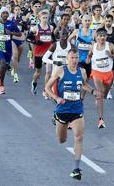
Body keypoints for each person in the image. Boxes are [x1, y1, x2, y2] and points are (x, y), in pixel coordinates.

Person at [46, 48, 100, 180]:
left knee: (79, 137)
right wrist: (57, 98)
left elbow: (84, 85)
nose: (75, 60)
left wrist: (93, 91)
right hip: (63, 110)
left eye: (76, 58)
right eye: (72, 58)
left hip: (77, 109)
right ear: (67, 59)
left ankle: (76, 168)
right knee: (62, 140)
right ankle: (56, 117)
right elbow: (47, 88)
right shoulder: (60, 71)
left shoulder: (81, 71)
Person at [87, 29, 114, 128]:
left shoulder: (110, 46)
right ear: (96, 37)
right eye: (100, 36)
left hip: (108, 73)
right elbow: (89, 56)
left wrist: (112, 56)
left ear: (106, 37)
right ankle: (101, 119)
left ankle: (100, 98)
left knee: (105, 95)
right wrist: (88, 59)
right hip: (97, 72)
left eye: (104, 36)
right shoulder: (93, 46)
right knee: (100, 93)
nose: (102, 38)